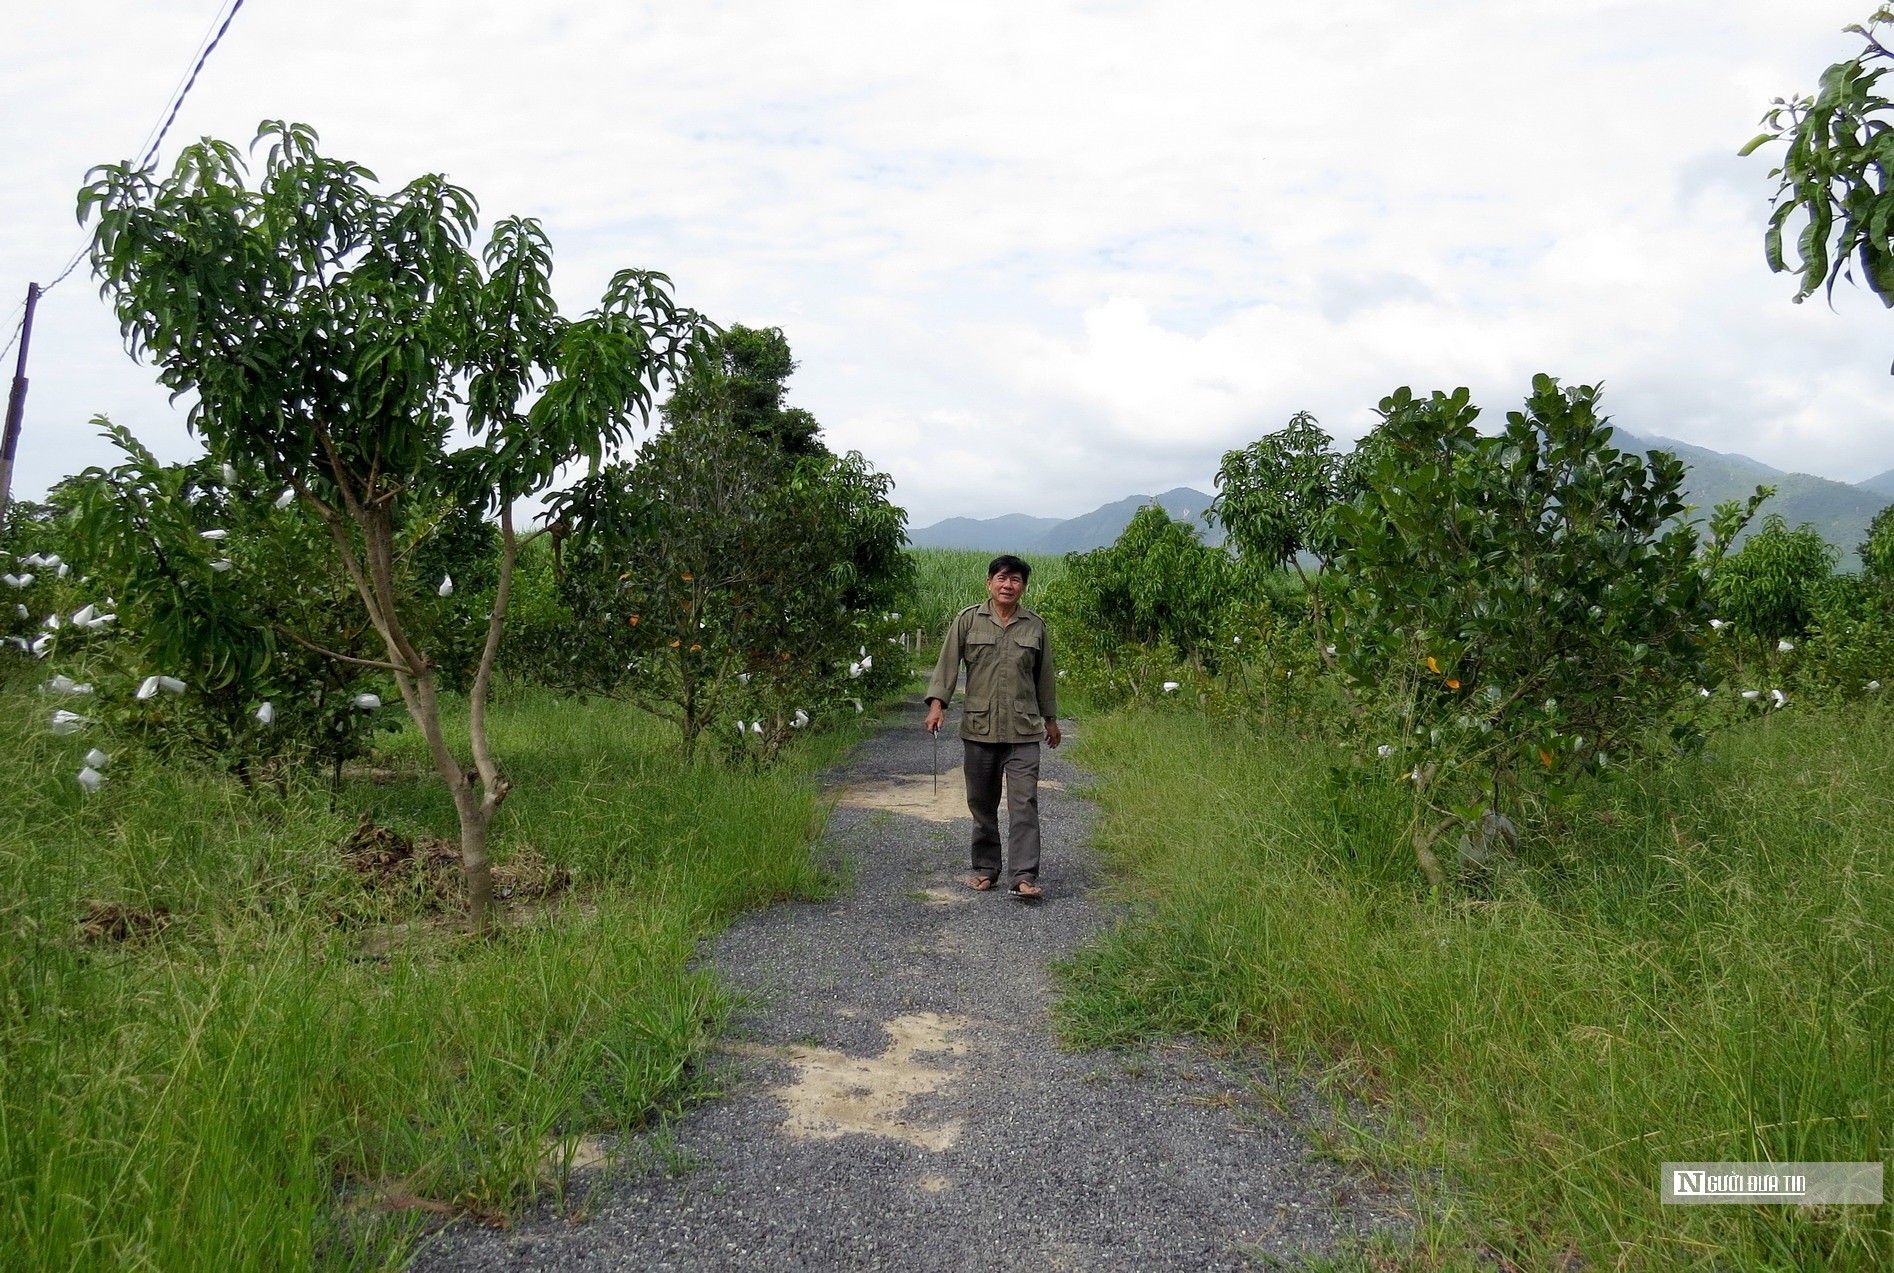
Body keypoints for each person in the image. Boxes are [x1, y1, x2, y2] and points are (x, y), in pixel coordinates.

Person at [923, 554, 1061, 897]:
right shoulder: (969, 620)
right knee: (982, 803)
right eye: (1001, 579)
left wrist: (1051, 720)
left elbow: (1044, 677)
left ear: (1023, 587)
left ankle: (1023, 877)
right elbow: (947, 665)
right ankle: (986, 869)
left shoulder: (1035, 626)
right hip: (979, 729)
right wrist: (937, 705)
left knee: (1024, 803)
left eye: (1015, 580)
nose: (1008, 585)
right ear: (989, 583)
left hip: (1023, 731)